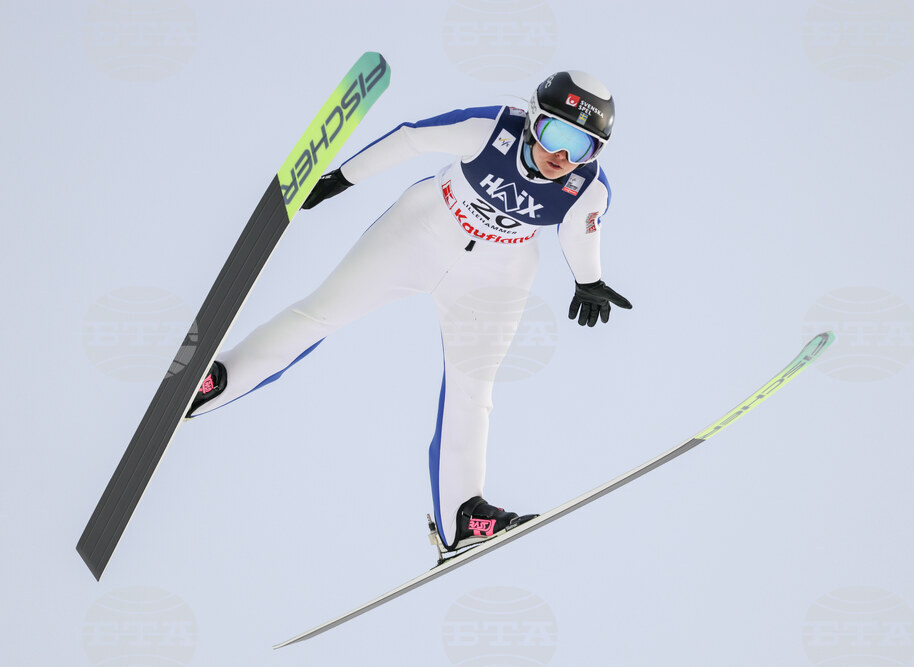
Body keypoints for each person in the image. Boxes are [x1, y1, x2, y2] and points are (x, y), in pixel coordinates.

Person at [187, 70, 632, 555]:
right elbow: (412, 139)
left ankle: (463, 516)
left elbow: (580, 232)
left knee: (474, 388)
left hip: (496, 275)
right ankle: (215, 379)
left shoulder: (589, 187)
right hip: (421, 232)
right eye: (556, 134)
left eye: (582, 147)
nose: (562, 157)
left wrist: (588, 280)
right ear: (533, 119)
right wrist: (341, 178)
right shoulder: (491, 129)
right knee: (321, 314)